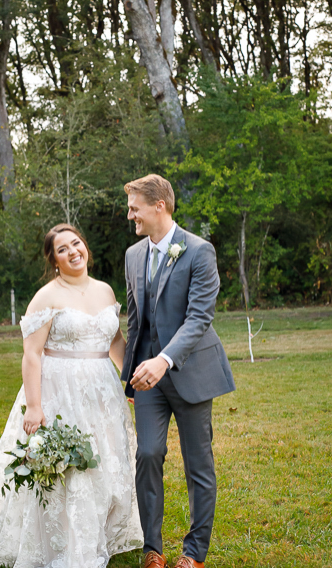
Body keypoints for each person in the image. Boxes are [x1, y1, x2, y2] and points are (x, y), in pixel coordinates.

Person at [0, 223, 143, 567]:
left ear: (85, 247)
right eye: (62, 249)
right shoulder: (46, 297)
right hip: (59, 389)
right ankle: (64, 538)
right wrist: (34, 406)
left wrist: (130, 382)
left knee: (105, 456)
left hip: (101, 390)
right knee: (68, 464)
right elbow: (31, 354)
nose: (73, 251)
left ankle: (100, 531)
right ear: (55, 261)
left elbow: (114, 341)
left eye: (76, 243)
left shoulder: (105, 291)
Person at [122, 175, 235, 568]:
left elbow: (199, 317)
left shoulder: (199, 251)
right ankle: (152, 549)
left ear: (160, 206)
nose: (130, 214)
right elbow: (135, 320)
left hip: (189, 371)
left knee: (197, 464)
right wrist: (129, 378)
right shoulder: (132, 255)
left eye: (135, 206)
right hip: (147, 377)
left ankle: (194, 554)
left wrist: (164, 360)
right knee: (148, 453)